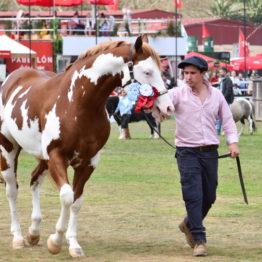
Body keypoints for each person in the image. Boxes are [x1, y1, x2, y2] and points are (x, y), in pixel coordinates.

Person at [167, 56, 239, 257]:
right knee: (193, 195)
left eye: (192, 73)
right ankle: (199, 240)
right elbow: (161, 106)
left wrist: (232, 142)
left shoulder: (216, 95)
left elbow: (227, 120)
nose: (187, 77)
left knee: (209, 196)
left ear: (202, 74)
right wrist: (153, 106)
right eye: (185, 73)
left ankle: (188, 223)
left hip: (210, 153)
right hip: (186, 151)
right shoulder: (176, 94)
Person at [216, 67, 234, 134]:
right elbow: (221, 89)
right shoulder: (222, 80)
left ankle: (222, 130)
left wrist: (222, 98)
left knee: (224, 116)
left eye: (221, 72)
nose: (220, 73)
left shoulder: (228, 80)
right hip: (221, 99)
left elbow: (228, 90)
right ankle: (218, 130)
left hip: (225, 100)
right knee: (218, 115)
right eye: (220, 72)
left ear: (225, 72)